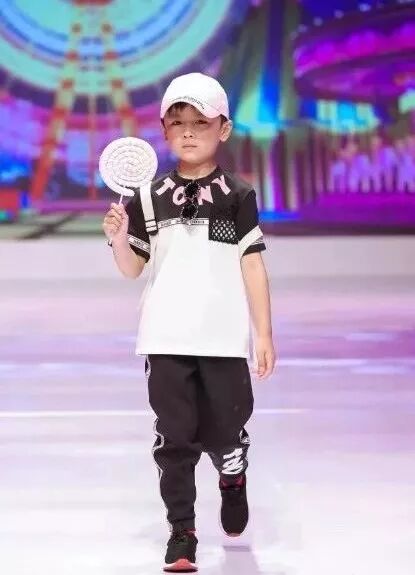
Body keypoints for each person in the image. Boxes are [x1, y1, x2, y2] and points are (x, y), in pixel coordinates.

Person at [102, 72, 276, 573]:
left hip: (223, 337)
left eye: (201, 122)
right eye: (178, 123)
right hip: (164, 335)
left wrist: (263, 332)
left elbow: (252, 264)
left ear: (224, 129)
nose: (189, 132)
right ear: (164, 130)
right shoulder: (149, 196)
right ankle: (182, 532)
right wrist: (118, 238)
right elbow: (133, 268)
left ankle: (232, 472)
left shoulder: (238, 194)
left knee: (225, 429)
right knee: (174, 438)